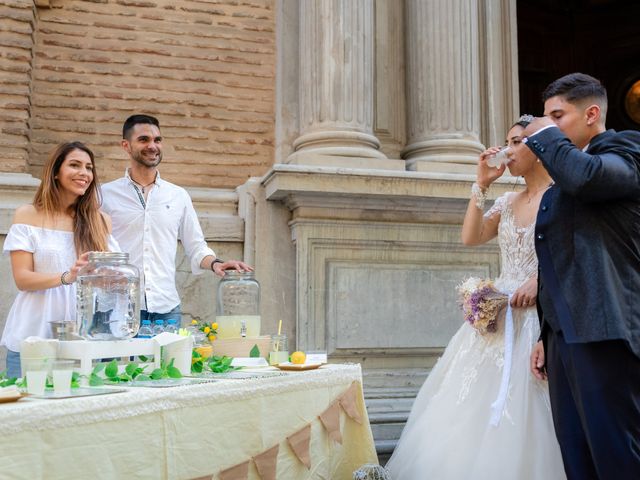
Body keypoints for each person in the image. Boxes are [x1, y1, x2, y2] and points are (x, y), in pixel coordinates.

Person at [385, 116, 566, 479]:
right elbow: (471, 237)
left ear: (541, 148)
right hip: (498, 315)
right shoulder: (507, 200)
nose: (509, 151)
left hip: (537, 316)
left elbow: (572, 253)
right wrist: (480, 185)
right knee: (466, 403)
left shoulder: (562, 198)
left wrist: (540, 279)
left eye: (518, 143)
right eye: (508, 142)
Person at [524, 73, 640, 479]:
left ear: (592, 114)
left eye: (558, 115)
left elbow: (589, 178)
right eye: (545, 117)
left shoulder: (626, 149)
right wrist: (546, 333)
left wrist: (544, 135)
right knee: (577, 455)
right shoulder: (562, 177)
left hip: (604, 329)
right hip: (565, 334)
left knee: (615, 455)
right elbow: (560, 259)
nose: (547, 125)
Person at [101, 114, 252, 326]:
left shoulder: (178, 195)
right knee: (119, 362)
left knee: (169, 361)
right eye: (144, 140)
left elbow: (196, 246)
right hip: (117, 308)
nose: (152, 146)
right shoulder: (104, 195)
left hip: (166, 308)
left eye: (157, 140)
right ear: (126, 145)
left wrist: (217, 263)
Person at [1, 142, 119, 377]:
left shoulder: (100, 220)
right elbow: (22, 279)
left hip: (84, 336)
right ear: (55, 172)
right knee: (27, 408)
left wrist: (110, 278)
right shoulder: (28, 215)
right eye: (74, 165)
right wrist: (68, 276)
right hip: (35, 330)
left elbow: (108, 281)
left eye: (89, 167)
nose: (84, 173)